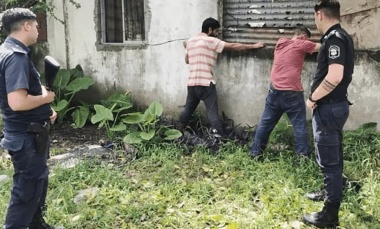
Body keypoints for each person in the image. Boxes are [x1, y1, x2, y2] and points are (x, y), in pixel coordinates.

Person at [0, 8, 57, 229]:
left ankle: (36, 224)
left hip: (30, 132)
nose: (37, 29)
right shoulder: (16, 57)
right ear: (26, 26)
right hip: (26, 136)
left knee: (37, 181)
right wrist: (46, 98)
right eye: (35, 25)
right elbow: (18, 102)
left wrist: (45, 108)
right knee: (27, 188)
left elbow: (22, 89)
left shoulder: (8, 50)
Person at [302, 0, 354, 228]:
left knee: (329, 162)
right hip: (335, 106)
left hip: (329, 107)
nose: (315, 22)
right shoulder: (342, 36)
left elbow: (334, 76)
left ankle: (329, 215)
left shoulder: (334, 39)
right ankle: (330, 190)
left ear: (320, 14)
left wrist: (313, 98)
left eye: (315, 18)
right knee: (333, 154)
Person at [179, 17, 265, 137]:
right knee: (212, 113)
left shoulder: (190, 42)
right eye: (217, 31)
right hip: (206, 84)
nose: (218, 34)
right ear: (210, 30)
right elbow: (233, 46)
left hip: (192, 83)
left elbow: (187, 60)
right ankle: (217, 137)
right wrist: (253, 46)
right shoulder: (211, 41)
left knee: (188, 110)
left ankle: (178, 131)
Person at [249, 26, 320, 159]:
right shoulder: (301, 43)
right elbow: (321, 47)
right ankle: (302, 157)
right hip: (292, 92)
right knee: (299, 125)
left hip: (274, 90)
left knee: (265, 124)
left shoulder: (280, 43)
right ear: (303, 37)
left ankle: (255, 153)